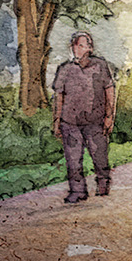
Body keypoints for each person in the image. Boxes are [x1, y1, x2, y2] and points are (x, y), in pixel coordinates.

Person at [51, 32, 117, 203]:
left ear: (90, 48)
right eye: (74, 45)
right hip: (70, 122)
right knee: (73, 160)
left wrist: (110, 116)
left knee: (99, 156)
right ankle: (78, 191)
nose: (76, 49)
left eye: (81, 45)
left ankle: (103, 182)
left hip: (95, 122)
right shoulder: (65, 69)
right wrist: (56, 121)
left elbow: (109, 90)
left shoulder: (100, 65)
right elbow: (59, 97)